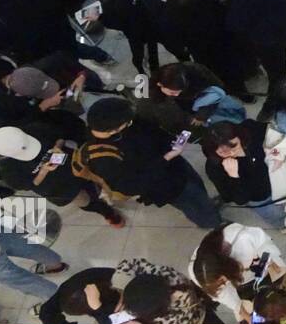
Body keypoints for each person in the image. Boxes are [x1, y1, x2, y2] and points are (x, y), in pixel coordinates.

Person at [76, 97, 223, 229]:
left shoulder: (127, 122)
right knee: (192, 204)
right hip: (165, 184)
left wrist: (172, 142)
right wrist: (167, 158)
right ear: (115, 129)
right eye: (129, 121)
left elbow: (150, 131)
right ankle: (214, 224)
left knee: (197, 189)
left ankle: (207, 205)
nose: (132, 121)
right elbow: (132, 186)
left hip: (175, 164)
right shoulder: (103, 158)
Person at [0, 123, 124, 226]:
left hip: (73, 164)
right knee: (85, 200)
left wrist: (57, 148)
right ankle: (107, 212)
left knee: (96, 180)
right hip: (58, 188)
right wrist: (44, 170)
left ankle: (109, 193)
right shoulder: (9, 171)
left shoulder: (33, 129)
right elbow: (31, 184)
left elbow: (59, 137)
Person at [200, 119, 286, 233]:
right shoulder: (214, 167)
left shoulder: (249, 128)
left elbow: (272, 132)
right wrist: (234, 176)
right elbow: (238, 199)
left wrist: (278, 153)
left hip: (275, 178)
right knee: (275, 213)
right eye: (223, 152)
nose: (231, 153)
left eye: (234, 147)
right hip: (259, 196)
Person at [189, 223, 286, 322]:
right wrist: (244, 314)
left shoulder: (243, 240)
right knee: (254, 309)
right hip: (241, 282)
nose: (224, 284)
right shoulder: (198, 274)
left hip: (258, 265)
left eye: (223, 280)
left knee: (277, 292)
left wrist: (270, 263)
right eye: (222, 283)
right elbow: (223, 294)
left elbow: (264, 246)